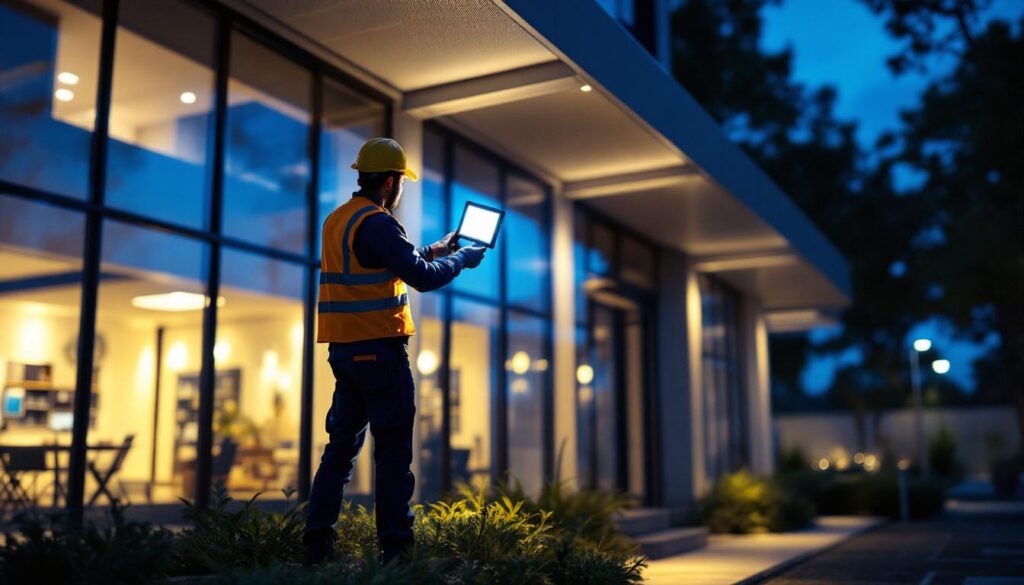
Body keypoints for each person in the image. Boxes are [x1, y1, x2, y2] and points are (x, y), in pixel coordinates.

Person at [303, 137, 486, 566]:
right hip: (379, 352)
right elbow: (420, 278)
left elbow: (392, 264)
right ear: (389, 182)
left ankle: (316, 545)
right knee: (392, 453)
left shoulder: (339, 220)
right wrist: (461, 261)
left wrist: (441, 249)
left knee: (339, 452)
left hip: (345, 353)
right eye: (401, 180)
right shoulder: (380, 222)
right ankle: (398, 554)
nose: (401, 188)